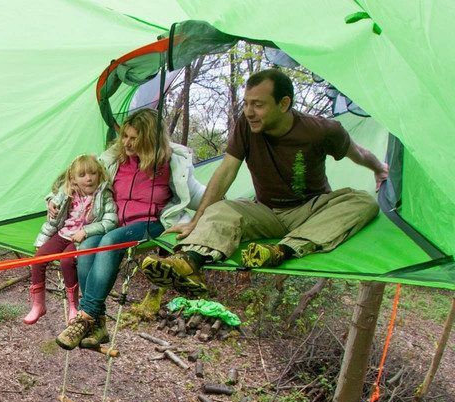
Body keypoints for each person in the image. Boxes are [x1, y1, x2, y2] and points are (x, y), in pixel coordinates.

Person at [140, 69, 387, 297]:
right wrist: (195, 221)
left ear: (284, 104)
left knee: (363, 201)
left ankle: (281, 251)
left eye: (258, 105)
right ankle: (189, 262)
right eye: (246, 103)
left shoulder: (321, 130)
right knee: (221, 208)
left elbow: (358, 152)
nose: (248, 112)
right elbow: (226, 172)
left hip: (311, 211)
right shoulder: (246, 126)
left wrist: (379, 169)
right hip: (267, 212)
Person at [52, 108, 205, 350]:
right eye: (125, 136)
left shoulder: (172, 164)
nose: (127, 142)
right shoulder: (115, 160)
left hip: (150, 225)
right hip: (115, 222)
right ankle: (98, 324)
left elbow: (199, 196)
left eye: (134, 138)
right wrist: (55, 199)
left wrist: (226, 205)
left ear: (149, 138)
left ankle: (85, 316)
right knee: (87, 245)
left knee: (109, 240)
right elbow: (77, 176)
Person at [23, 155, 116, 326]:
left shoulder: (103, 194)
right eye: (82, 175)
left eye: (93, 174)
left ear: (100, 174)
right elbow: (54, 199)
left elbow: (110, 221)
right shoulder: (68, 192)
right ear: (73, 179)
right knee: (38, 260)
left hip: (82, 237)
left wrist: (86, 231)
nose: (88, 178)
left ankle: (74, 306)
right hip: (63, 233)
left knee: (67, 261)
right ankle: (38, 304)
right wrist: (51, 203)